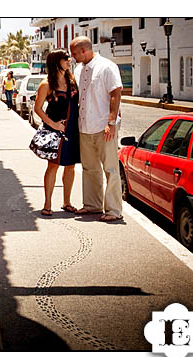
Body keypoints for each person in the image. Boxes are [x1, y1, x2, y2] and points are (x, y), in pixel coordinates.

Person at [69, 36, 124, 222]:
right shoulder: (78, 70)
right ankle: (92, 205)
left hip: (103, 126)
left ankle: (113, 210)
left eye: (75, 53)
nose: (73, 57)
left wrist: (111, 123)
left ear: (84, 51)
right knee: (90, 168)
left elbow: (116, 93)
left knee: (110, 169)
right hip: (85, 128)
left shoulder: (106, 67)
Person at [33, 50, 81, 216]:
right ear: (56, 61)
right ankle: (47, 204)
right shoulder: (46, 84)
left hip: (73, 130)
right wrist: (53, 124)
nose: (69, 60)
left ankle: (67, 202)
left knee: (70, 166)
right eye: (65, 58)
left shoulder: (72, 81)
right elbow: (37, 109)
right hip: (56, 132)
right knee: (52, 166)